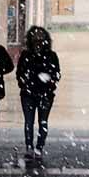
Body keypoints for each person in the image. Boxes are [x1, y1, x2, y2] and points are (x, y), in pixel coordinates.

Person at [16, 26, 61, 159]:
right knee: (29, 122)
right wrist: (23, 83)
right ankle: (30, 147)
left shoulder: (51, 56)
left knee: (42, 122)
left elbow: (57, 73)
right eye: (35, 38)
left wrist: (50, 83)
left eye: (40, 38)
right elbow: (19, 72)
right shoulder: (26, 55)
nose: (38, 41)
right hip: (29, 94)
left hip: (44, 94)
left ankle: (39, 147)